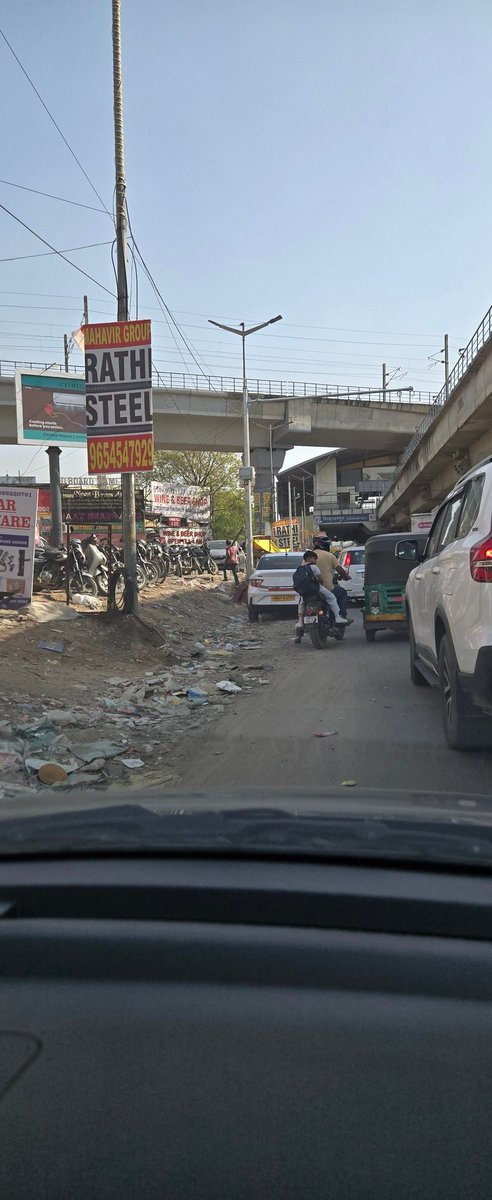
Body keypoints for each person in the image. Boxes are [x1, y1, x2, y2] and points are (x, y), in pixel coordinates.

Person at [294, 550, 351, 643]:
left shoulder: (301, 566)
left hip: (305, 592)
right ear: (312, 558)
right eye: (314, 558)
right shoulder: (328, 557)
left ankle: (299, 626)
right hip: (319, 588)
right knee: (332, 597)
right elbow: (322, 578)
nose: (316, 560)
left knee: (301, 603)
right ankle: (338, 617)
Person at [312, 536, 350, 619]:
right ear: (326, 546)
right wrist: (345, 576)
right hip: (326, 587)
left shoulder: (307, 556)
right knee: (342, 593)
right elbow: (340, 570)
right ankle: (341, 615)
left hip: (310, 589)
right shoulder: (329, 555)